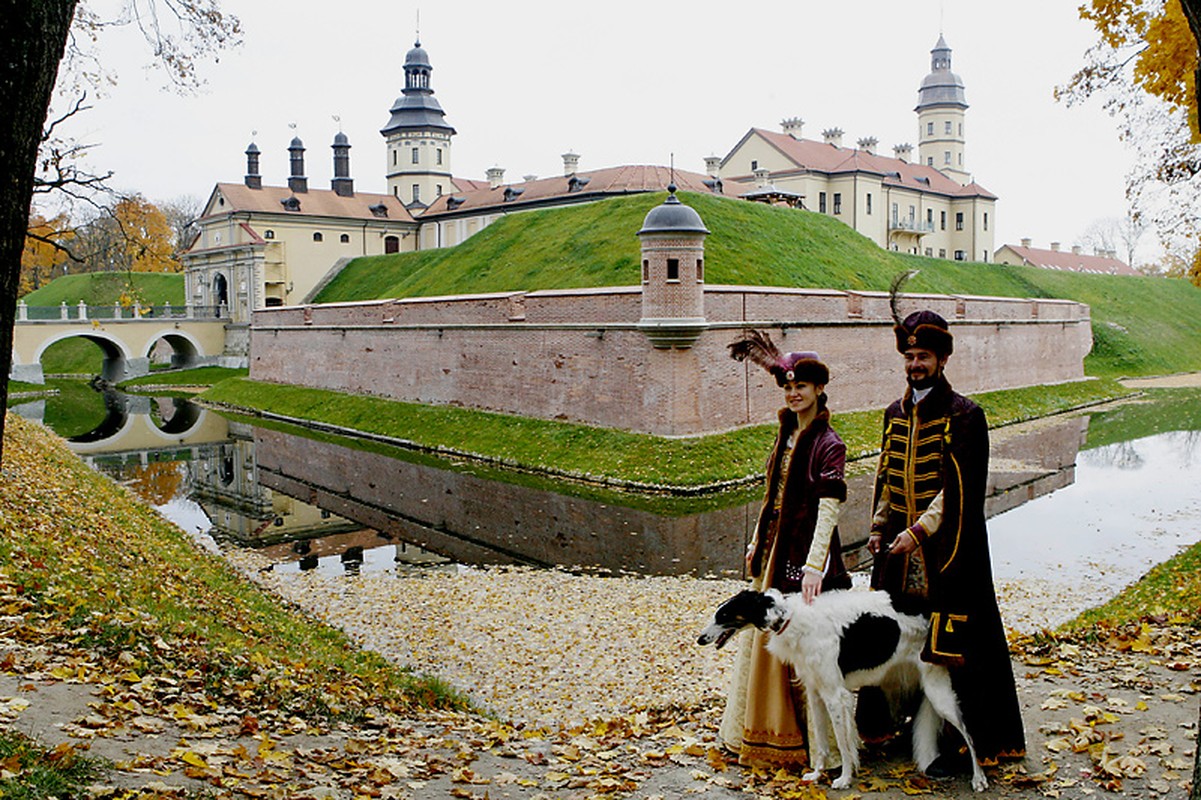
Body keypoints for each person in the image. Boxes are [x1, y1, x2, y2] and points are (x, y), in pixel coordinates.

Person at [857, 307, 1026, 771]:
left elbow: (960, 489)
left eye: (924, 356)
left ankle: (960, 744)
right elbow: (886, 476)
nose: (915, 365)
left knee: (951, 648)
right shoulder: (894, 413)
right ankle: (894, 728)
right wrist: (878, 526)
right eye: (910, 356)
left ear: (943, 359)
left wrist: (919, 531)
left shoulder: (966, 415)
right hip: (897, 553)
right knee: (894, 639)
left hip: (948, 553)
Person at [719, 330, 852, 768]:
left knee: (804, 643)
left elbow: (829, 510)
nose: (794, 393)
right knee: (764, 639)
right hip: (774, 548)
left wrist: (816, 566)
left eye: (802, 387)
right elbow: (771, 494)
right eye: (789, 387)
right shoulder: (785, 435)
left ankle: (817, 746)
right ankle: (758, 730)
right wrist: (758, 538)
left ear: (819, 390)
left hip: (802, 556)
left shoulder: (829, 444)